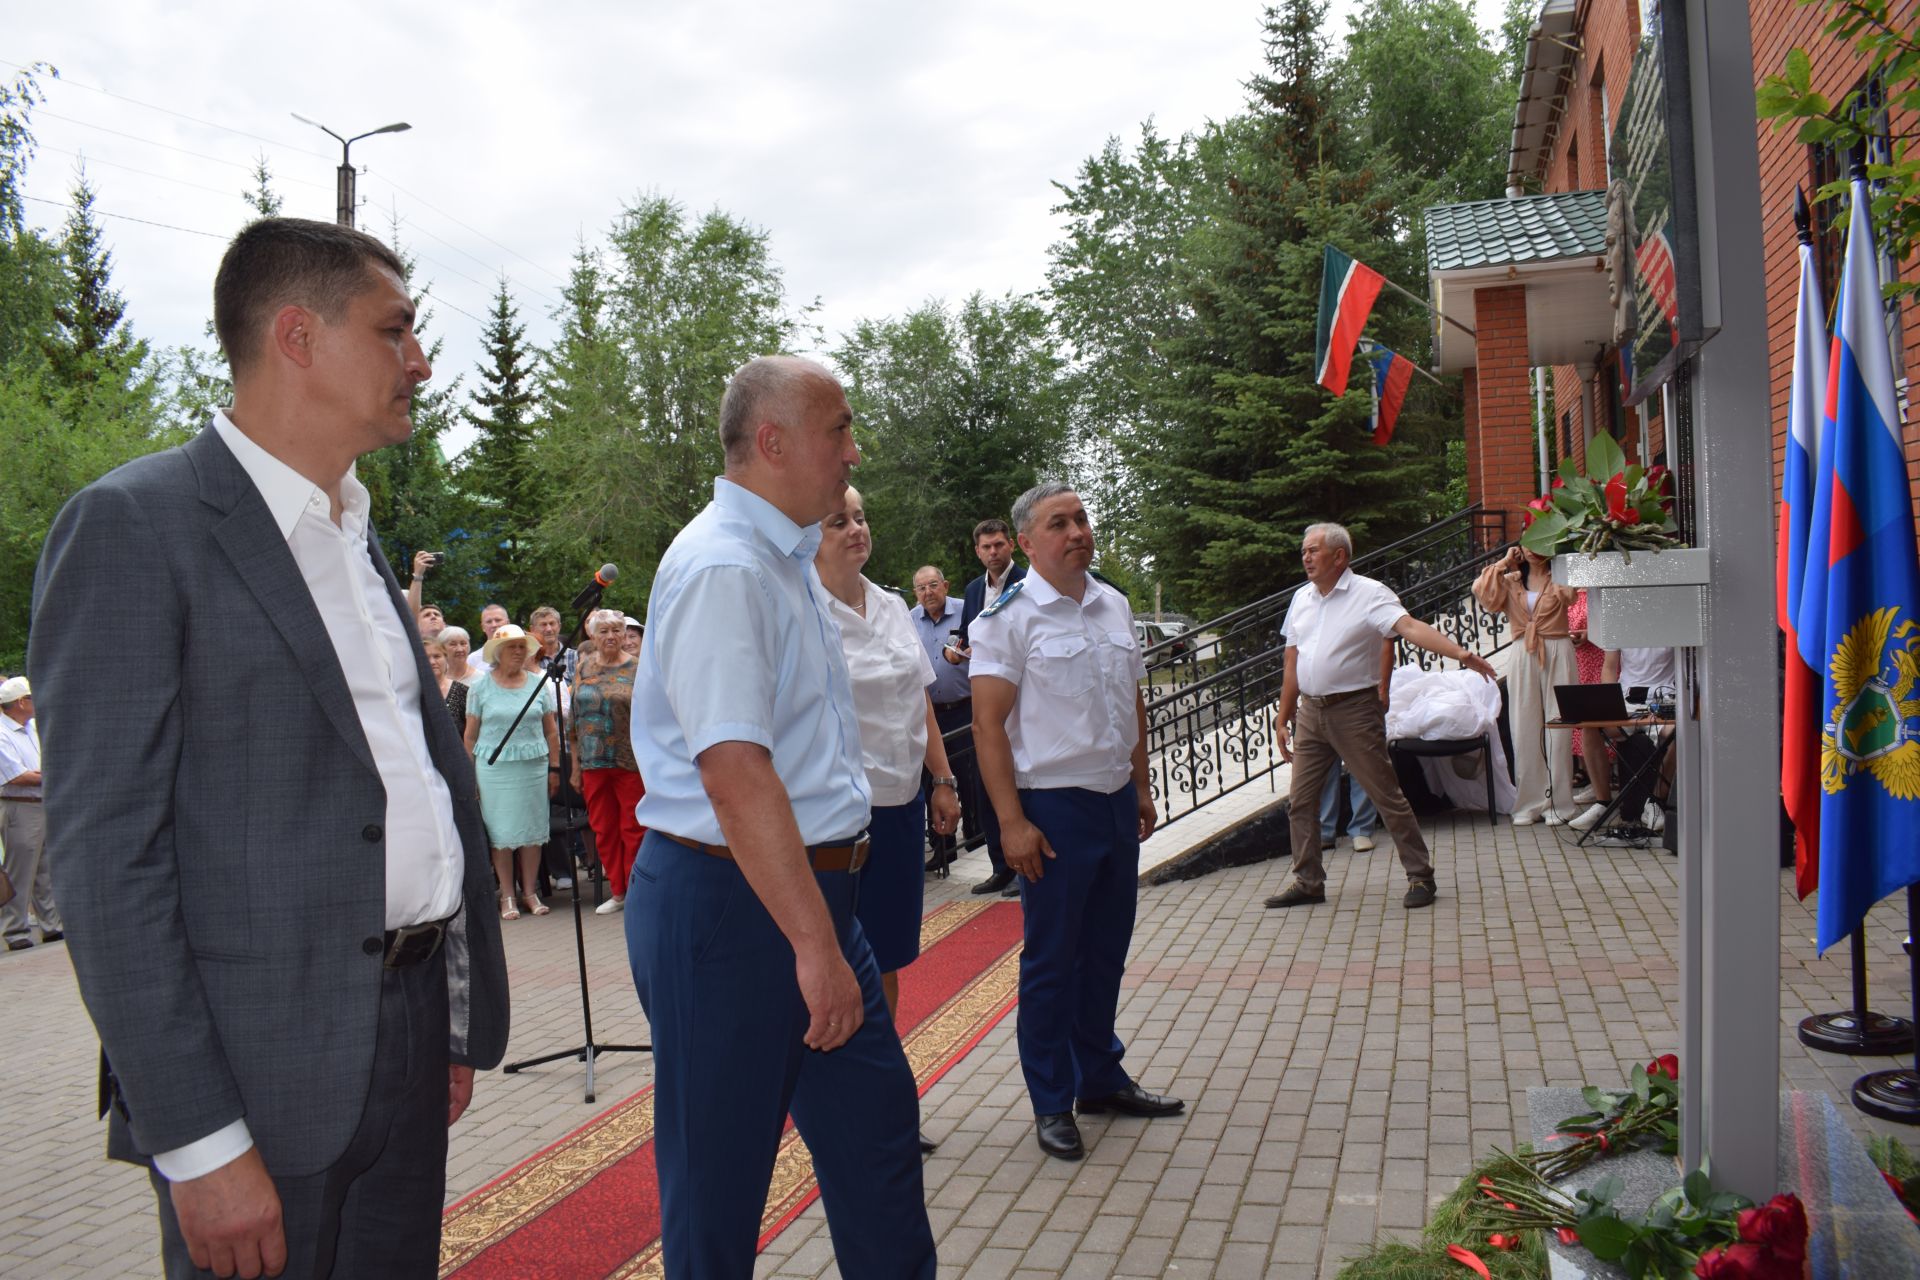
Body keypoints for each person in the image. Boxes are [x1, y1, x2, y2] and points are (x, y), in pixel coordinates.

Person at [29, 216, 509, 1279]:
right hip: (255, 1085)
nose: (421, 361)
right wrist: (198, 1141)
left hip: (409, 1038)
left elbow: (412, 780)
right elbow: (110, 864)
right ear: (298, 335)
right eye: (396, 331)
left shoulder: (353, 532)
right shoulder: (135, 527)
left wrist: (452, 1013)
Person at [626, 355, 935, 1279]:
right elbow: (735, 770)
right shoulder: (728, 565)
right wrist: (813, 947)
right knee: (719, 1190)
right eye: (837, 430)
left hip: (801, 901)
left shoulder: (783, 554)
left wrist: (824, 935)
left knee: (877, 1138)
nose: (852, 450)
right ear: (772, 442)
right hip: (739, 906)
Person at [969, 482, 1182, 1162]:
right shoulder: (1008, 618)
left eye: (1082, 518)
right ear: (1027, 543)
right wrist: (1010, 822)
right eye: (1059, 523)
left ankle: (1099, 1076)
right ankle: (1052, 1100)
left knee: (1106, 952)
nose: (1077, 531)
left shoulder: (1113, 603)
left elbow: (1132, 700)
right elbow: (987, 727)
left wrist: (1142, 782)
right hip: (1053, 808)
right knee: (1052, 961)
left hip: (1114, 799)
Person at [816, 491, 963, 1152]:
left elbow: (919, 700)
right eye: (838, 520)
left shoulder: (891, 606)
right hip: (836, 821)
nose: (856, 529)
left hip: (901, 807)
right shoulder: (800, 608)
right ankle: (850, 1110)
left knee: (890, 960)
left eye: (861, 516)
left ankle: (880, 1100)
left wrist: (942, 777)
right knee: (841, 965)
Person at [1266, 523, 1496, 911]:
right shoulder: (1302, 598)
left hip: (1354, 710)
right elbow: (1293, 662)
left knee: (1385, 795)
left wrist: (1461, 654)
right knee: (1301, 802)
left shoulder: (1370, 594)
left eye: (1314, 550)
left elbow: (1409, 627)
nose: (1305, 557)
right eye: (1303, 551)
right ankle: (1308, 881)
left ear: (1339, 556)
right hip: (1311, 712)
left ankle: (1420, 875)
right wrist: (1283, 716)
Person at [1472, 546, 1578, 825]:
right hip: (1523, 650)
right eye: (1528, 544)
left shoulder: (1559, 576)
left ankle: (1559, 803)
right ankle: (1529, 802)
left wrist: (1560, 564)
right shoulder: (1511, 580)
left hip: (1557, 647)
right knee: (1523, 724)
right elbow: (1482, 592)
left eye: (1540, 545)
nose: (1533, 551)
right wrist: (1505, 563)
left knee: (1560, 725)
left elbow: (1571, 596)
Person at [952, 518, 1027, 895]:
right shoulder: (971, 589)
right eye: (986, 547)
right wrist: (958, 652)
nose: (993, 552)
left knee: (1022, 784)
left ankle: (1027, 869)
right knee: (988, 785)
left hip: (1024, 698)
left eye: (999, 545)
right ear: (977, 550)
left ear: (1011, 545)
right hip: (984, 698)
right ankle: (1002, 866)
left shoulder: (1030, 584)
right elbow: (968, 636)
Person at [464, 623, 559, 920]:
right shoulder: (480, 688)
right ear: (499, 653)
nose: (518, 652)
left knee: (532, 831)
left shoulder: (538, 684)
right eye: (512, 647)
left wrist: (555, 768)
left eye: (522, 647)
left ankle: (530, 892)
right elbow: (469, 736)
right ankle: (507, 895)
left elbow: (552, 732)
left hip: (533, 765)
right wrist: (469, 775)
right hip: (494, 768)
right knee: (501, 833)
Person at [569, 608, 645, 915]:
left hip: (629, 759)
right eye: (605, 631)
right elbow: (573, 718)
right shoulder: (584, 665)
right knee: (603, 827)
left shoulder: (639, 668)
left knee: (633, 827)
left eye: (617, 630)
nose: (612, 636)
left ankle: (637, 890)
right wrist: (575, 765)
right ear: (593, 636)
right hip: (593, 759)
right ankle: (618, 891)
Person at [909, 564, 977, 874]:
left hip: (964, 709)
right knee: (933, 783)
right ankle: (943, 851)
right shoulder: (909, 620)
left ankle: (978, 843)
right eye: (921, 588)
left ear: (945, 585)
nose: (928, 592)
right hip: (929, 715)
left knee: (972, 779)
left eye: (933, 585)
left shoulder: (966, 611)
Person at [0, 677, 59, 951]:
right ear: (21, 702)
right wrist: (54, 775)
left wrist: (45, 775)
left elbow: (39, 767)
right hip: (19, 805)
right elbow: (18, 776)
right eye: (32, 698)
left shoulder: (32, 727)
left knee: (45, 869)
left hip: (41, 802)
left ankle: (51, 925)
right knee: (20, 871)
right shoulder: (2, 732)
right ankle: (15, 930)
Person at [423, 635, 469, 732]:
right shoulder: (414, 693)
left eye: (437, 656)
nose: (432, 662)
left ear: (446, 658)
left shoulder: (463, 692)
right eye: (426, 658)